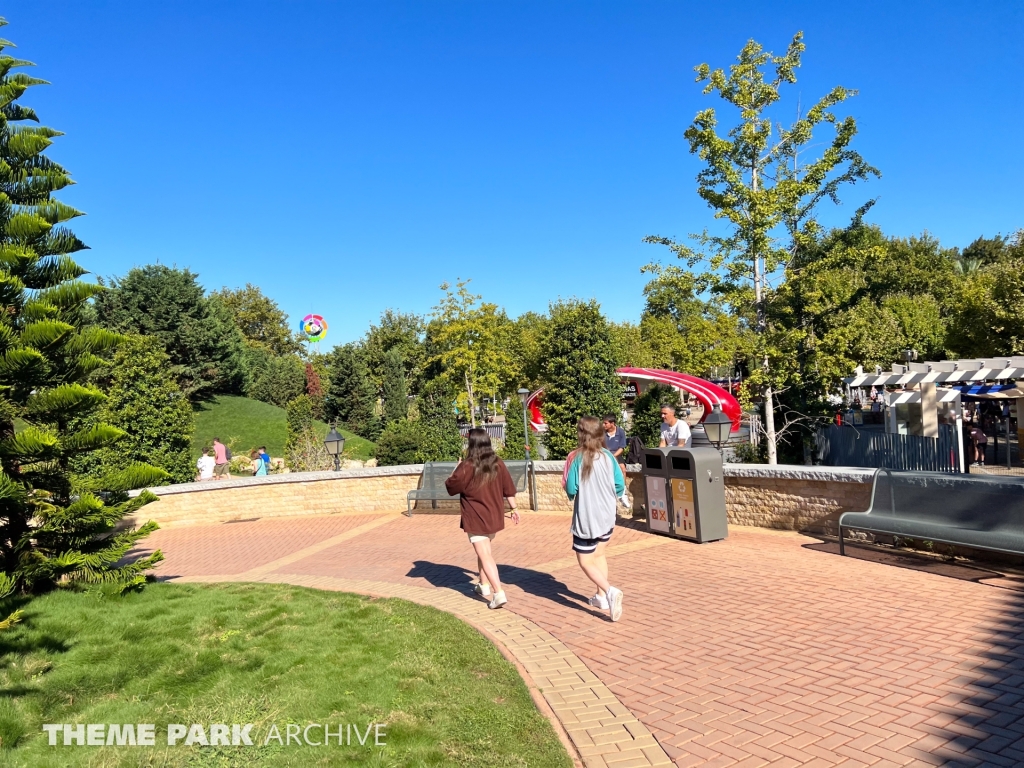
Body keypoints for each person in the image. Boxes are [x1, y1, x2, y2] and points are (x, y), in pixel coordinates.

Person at [445, 428, 520, 610]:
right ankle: (483, 584)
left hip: (476, 517)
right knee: (484, 551)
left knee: (485, 554)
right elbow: (508, 488)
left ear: (472, 444)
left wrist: (456, 468)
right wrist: (514, 508)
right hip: (493, 516)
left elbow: (451, 487)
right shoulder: (497, 462)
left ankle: (498, 592)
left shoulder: (467, 466)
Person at [564, 416, 625, 622]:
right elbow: (619, 485)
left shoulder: (577, 458)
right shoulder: (608, 456)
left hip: (587, 518)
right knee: (599, 554)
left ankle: (609, 591)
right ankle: (601, 598)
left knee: (585, 560)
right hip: (607, 516)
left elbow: (571, 488)